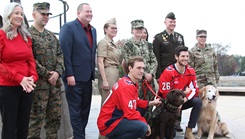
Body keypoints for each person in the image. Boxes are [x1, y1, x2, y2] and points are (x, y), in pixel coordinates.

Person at [97, 56, 161, 139]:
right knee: (142, 128)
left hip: (114, 118)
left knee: (141, 110)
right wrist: (146, 124)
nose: (141, 71)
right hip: (108, 122)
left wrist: (151, 103)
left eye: (143, 68)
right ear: (130, 68)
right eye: (138, 68)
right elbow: (130, 113)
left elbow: (134, 102)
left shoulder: (130, 82)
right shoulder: (126, 86)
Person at [0, 2, 38, 139]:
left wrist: (32, 78)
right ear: (8, 15)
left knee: (23, 125)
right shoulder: (1, 35)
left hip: (27, 87)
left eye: (21, 14)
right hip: (8, 87)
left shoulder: (25, 36)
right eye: (16, 13)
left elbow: (30, 60)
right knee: (9, 127)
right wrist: (19, 78)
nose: (19, 16)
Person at [59, 3, 97, 139]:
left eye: (91, 11)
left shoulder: (93, 30)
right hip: (73, 78)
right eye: (87, 11)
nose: (89, 14)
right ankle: (79, 137)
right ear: (78, 13)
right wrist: (69, 74)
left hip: (88, 78)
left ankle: (79, 136)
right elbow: (65, 53)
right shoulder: (68, 28)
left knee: (85, 111)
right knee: (75, 112)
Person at [27, 2, 64, 138]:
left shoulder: (51, 37)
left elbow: (60, 55)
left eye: (48, 14)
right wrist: (47, 74)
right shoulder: (28, 35)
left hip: (54, 86)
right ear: (34, 14)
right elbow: (29, 58)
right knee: (35, 122)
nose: (46, 17)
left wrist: (57, 73)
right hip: (38, 86)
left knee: (54, 120)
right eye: (43, 14)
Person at [158, 45, 202, 139]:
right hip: (168, 104)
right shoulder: (168, 72)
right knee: (170, 135)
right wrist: (183, 93)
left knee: (198, 102)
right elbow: (166, 94)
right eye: (182, 56)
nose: (185, 59)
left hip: (182, 101)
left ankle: (189, 130)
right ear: (176, 57)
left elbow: (195, 90)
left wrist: (183, 100)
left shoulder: (190, 71)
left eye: (187, 56)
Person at [153, 12, 185, 131]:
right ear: (165, 22)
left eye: (174, 22)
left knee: (178, 96)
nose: (172, 24)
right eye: (170, 21)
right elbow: (156, 57)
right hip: (165, 74)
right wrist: (158, 75)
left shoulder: (179, 37)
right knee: (166, 97)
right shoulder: (159, 37)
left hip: (178, 73)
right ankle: (163, 121)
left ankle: (176, 122)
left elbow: (183, 55)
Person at [122, 20, 157, 125]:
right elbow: (129, 61)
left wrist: (150, 74)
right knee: (137, 105)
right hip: (137, 81)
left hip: (149, 81)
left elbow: (154, 60)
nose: (139, 31)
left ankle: (148, 129)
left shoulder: (148, 45)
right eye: (136, 29)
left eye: (141, 28)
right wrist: (144, 73)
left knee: (149, 106)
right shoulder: (128, 45)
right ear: (132, 30)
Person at [97, 18, 120, 139]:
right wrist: (105, 80)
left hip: (115, 72)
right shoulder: (103, 42)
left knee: (114, 105)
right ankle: (102, 135)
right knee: (107, 106)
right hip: (108, 72)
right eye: (112, 28)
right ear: (106, 29)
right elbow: (100, 62)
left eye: (116, 28)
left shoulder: (113, 43)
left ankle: (109, 133)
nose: (114, 30)